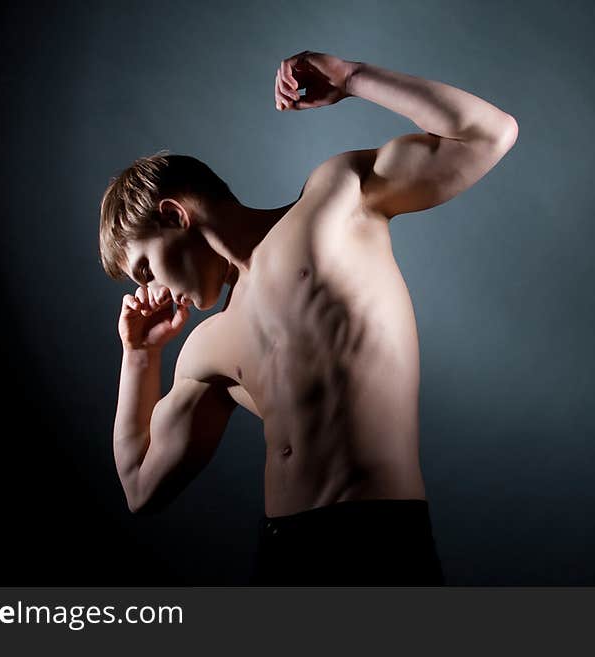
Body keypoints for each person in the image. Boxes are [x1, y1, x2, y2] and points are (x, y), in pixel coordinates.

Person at [99, 51, 518, 585]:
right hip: (283, 555)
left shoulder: (332, 199)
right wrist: (139, 356)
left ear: (174, 215)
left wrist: (353, 77)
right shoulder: (208, 345)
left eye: (144, 268)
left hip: (379, 542)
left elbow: (488, 135)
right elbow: (140, 486)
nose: (150, 290)